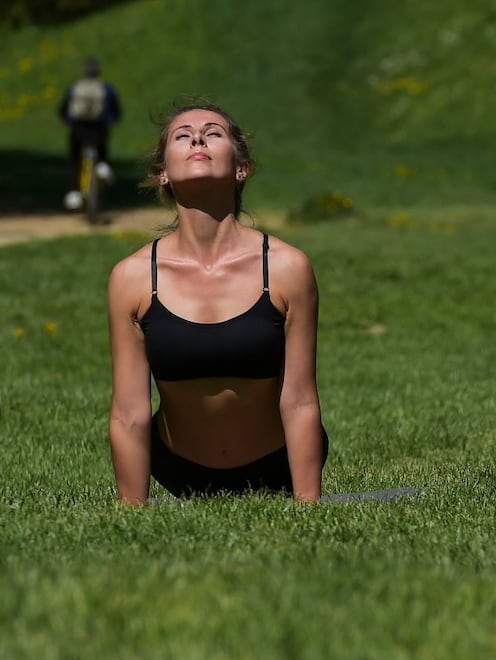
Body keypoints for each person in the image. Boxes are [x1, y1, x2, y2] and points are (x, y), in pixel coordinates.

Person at [106, 101, 327, 504]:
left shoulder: (286, 268)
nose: (197, 138)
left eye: (213, 132)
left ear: (241, 168)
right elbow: (128, 413)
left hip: (275, 467)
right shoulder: (133, 277)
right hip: (176, 470)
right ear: (162, 173)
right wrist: (131, 515)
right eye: (182, 135)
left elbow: (300, 400)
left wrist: (308, 506)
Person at [58, 56, 122, 210]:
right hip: (99, 128)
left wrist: (69, 120)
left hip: (78, 129)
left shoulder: (75, 87)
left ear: (85, 72)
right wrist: (109, 120)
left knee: (74, 158)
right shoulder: (106, 88)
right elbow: (115, 111)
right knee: (101, 148)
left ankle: (74, 192)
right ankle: (103, 166)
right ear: (99, 72)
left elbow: (63, 109)